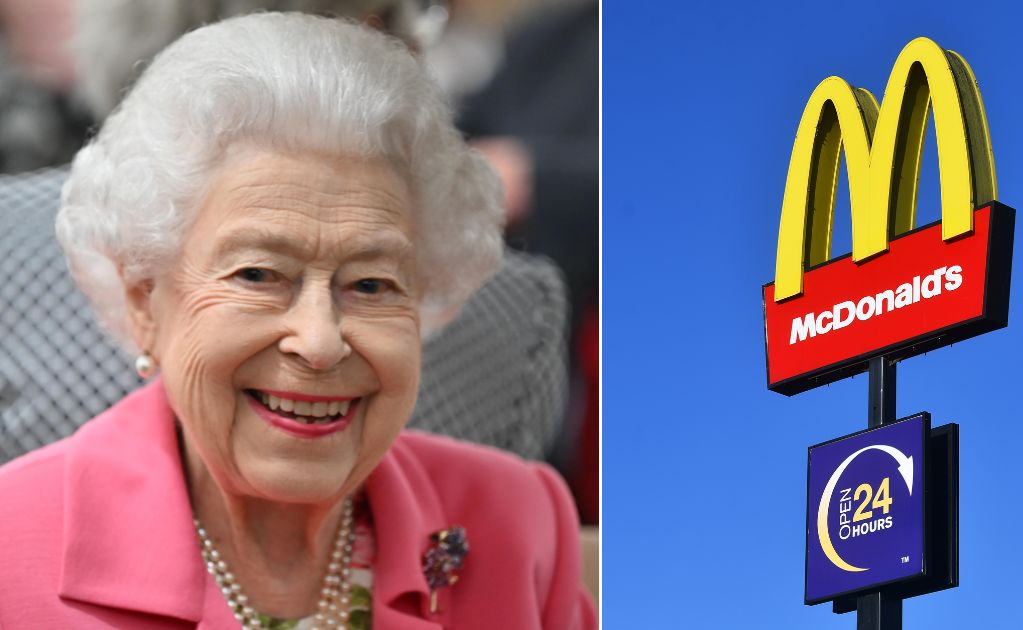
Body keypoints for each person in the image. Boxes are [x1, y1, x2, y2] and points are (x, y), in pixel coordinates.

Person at [0, 12, 596, 629]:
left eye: (371, 284)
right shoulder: (9, 553)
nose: (319, 341)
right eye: (258, 275)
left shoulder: (517, 522)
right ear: (145, 300)